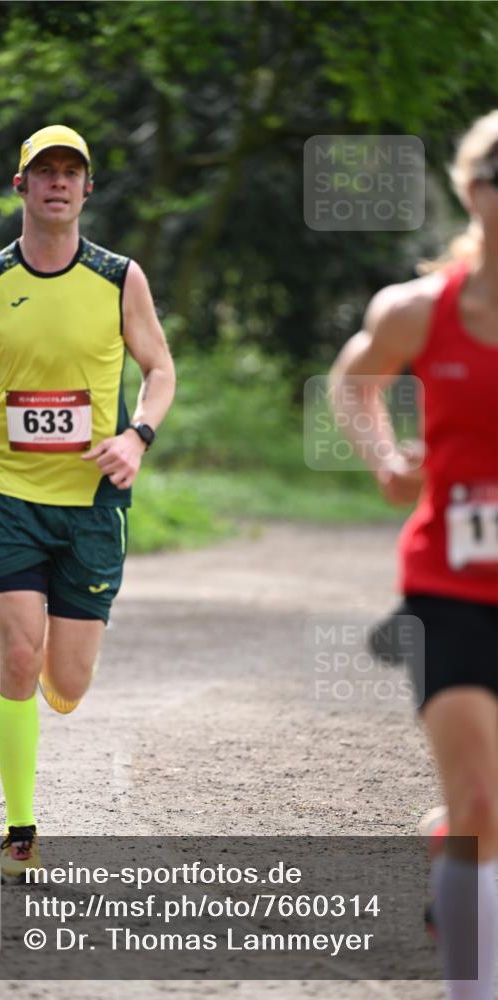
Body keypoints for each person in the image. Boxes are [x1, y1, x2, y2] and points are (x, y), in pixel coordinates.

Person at [0, 125, 176, 879]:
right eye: (44, 173)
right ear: (21, 186)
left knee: (65, 682)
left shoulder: (117, 276)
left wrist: (137, 435)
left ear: (86, 189)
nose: (57, 184)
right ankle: (19, 828)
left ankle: (47, 675)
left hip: (94, 504)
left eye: (71, 173)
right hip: (10, 495)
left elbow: (160, 369)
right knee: (18, 656)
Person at [329, 111, 498, 999]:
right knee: (480, 809)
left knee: (487, 818)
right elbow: (355, 381)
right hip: (449, 585)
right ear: (477, 193)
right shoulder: (417, 312)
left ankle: (453, 854)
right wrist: (385, 458)